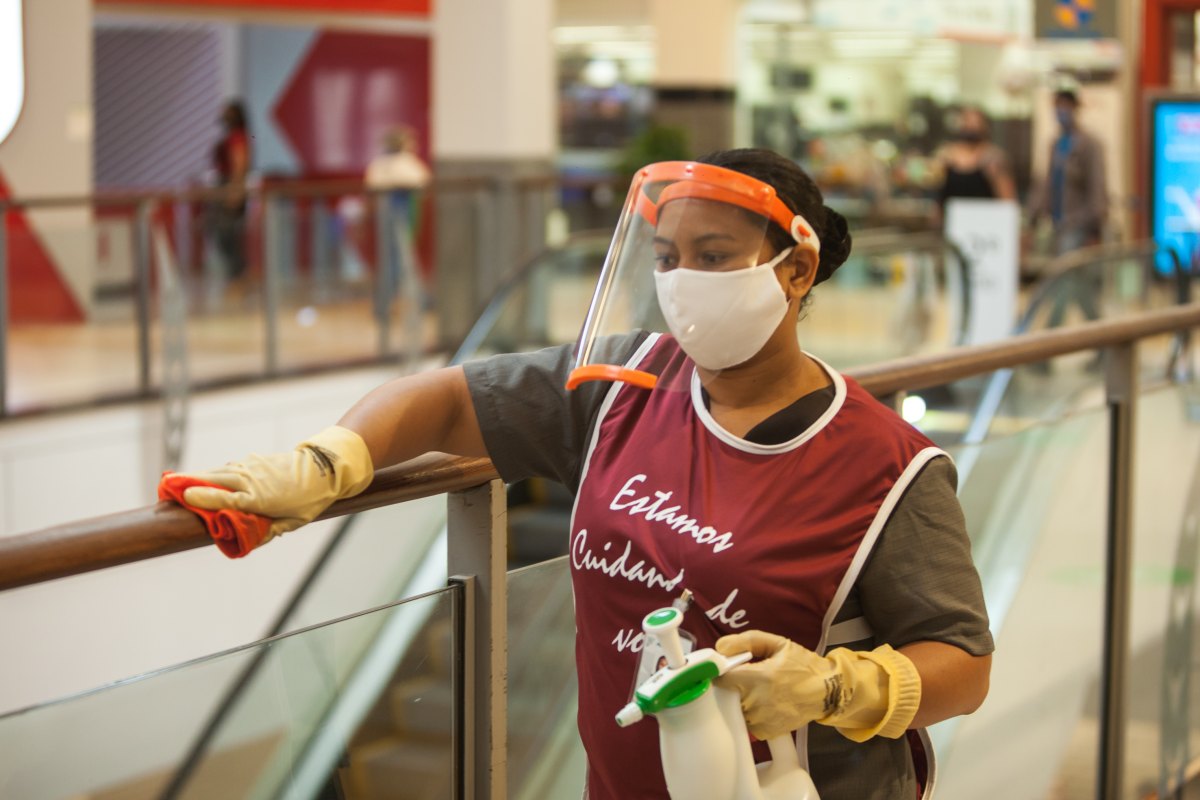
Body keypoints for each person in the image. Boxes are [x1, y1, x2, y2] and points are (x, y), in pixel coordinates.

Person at [170, 148, 993, 800]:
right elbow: (444, 400)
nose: (681, 284)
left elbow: (965, 661)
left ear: (795, 270)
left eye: (714, 256)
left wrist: (835, 688)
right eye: (667, 258)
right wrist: (325, 465)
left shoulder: (886, 464)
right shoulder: (624, 388)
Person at [364, 125, 432, 309]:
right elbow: (374, 183)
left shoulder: (405, 162)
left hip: (405, 213)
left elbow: (422, 180)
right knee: (395, 259)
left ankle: (409, 299)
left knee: (404, 257)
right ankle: (386, 302)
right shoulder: (384, 164)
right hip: (390, 214)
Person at [934, 105, 1016, 219]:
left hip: (982, 224)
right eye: (967, 121)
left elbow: (1007, 200)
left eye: (976, 122)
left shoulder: (993, 158)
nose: (971, 126)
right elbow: (939, 197)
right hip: (952, 222)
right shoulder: (947, 157)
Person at [210, 99, 252, 284]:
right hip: (225, 186)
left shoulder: (237, 137)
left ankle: (238, 276)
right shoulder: (234, 136)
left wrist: (234, 191)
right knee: (223, 232)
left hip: (230, 187)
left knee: (228, 234)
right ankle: (234, 275)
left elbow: (240, 165)